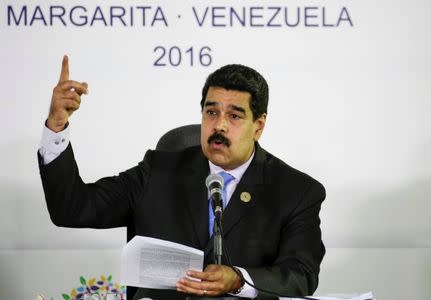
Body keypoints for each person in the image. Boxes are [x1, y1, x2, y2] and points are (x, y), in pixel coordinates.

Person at [38, 56, 326, 299]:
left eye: (235, 116)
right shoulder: (158, 171)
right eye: (211, 112)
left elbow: (301, 274)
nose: (219, 125)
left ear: (259, 126)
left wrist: (240, 279)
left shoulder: (296, 191)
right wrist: (57, 125)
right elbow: (72, 208)